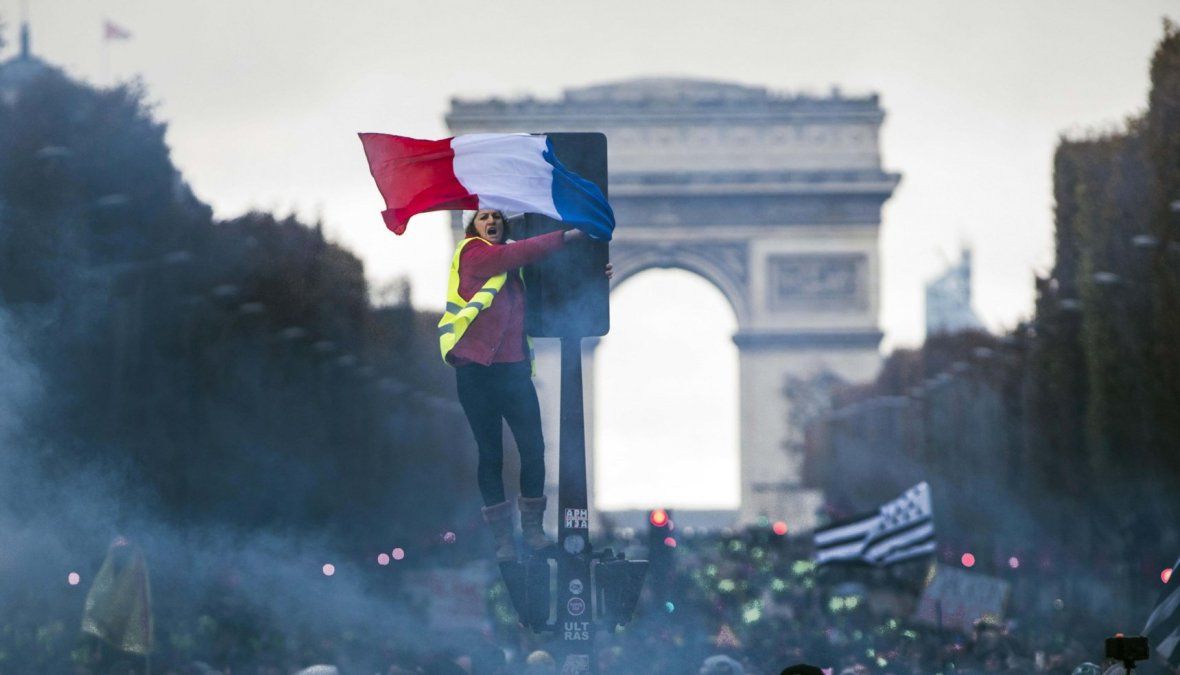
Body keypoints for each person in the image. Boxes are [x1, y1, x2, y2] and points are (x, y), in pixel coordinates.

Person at [439, 209, 611, 562]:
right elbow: (518, 252)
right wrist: (570, 235)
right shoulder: (473, 253)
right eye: (484, 218)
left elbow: (553, 283)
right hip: (476, 369)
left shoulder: (514, 270)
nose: (491, 223)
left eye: (498, 219)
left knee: (534, 450)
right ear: (472, 227)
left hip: (512, 371)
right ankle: (504, 539)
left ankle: (532, 531)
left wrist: (595, 277)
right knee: (492, 454)